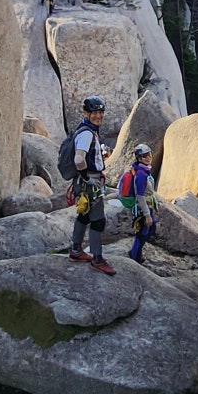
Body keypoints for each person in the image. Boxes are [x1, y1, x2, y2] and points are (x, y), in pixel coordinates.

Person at [69, 95, 116, 274]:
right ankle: (97, 258)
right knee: (98, 221)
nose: (98, 116)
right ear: (86, 113)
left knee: (84, 216)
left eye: (100, 112)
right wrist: (87, 177)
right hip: (89, 183)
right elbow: (79, 158)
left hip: (86, 180)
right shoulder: (87, 133)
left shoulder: (85, 129)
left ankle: (76, 250)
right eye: (94, 112)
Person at [128, 143, 158, 264]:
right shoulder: (140, 174)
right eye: (144, 156)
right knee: (142, 234)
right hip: (142, 209)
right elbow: (140, 196)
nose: (148, 157)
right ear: (139, 158)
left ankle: (137, 254)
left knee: (148, 230)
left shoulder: (144, 171)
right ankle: (135, 257)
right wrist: (147, 215)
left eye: (149, 155)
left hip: (147, 206)